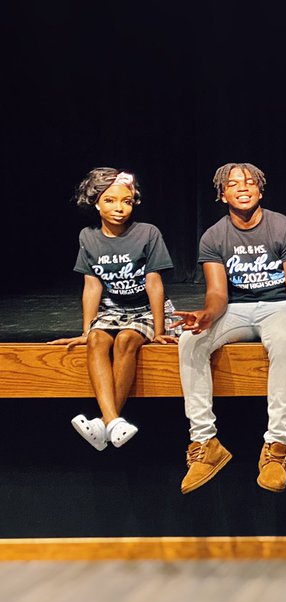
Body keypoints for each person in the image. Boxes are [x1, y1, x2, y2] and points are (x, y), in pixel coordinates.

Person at [176, 163, 286, 494]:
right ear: (222, 193)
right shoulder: (214, 236)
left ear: (260, 190)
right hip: (235, 310)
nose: (242, 187)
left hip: (279, 306)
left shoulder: (285, 228)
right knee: (188, 340)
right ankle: (205, 442)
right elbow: (218, 293)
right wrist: (207, 315)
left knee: (283, 343)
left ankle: (276, 447)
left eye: (250, 182)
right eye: (234, 183)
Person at [51, 168, 175, 450]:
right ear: (96, 203)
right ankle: (114, 422)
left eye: (127, 201)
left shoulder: (147, 233)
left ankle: (106, 423)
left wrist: (159, 330)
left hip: (145, 309)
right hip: (112, 308)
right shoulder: (88, 237)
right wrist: (87, 330)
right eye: (110, 200)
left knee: (127, 339)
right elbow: (92, 286)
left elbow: (154, 283)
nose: (119, 208)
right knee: (97, 339)